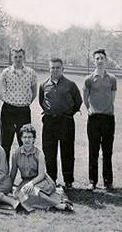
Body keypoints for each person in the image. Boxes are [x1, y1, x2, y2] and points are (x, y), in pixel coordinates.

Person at [39, 58, 82, 188]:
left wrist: (68, 114)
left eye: (58, 67)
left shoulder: (70, 84)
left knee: (67, 151)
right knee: (49, 152)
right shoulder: (44, 85)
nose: (55, 70)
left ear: (63, 69)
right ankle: (52, 179)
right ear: (49, 69)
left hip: (66, 121)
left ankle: (68, 180)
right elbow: (42, 102)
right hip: (49, 121)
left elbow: (78, 101)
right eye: (53, 67)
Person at [10, 124, 73, 212]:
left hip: (41, 180)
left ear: (34, 139)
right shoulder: (16, 154)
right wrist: (9, 186)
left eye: (30, 137)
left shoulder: (39, 153)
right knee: (19, 195)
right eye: (24, 137)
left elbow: (41, 175)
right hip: (26, 181)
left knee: (31, 192)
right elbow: (13, 172)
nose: (27, 140)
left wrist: (31, 184)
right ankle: (49, 205)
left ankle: (57, 205)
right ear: (21, 138)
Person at [83, 49, 117, 190]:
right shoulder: (89, 79)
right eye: (97, 58)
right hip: (94, 119)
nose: (100, 61)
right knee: (93, 151)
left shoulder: (112, 79)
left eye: (102, 58)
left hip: (108, 118)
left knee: (107, 151)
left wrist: (106, 109)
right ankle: (93, 181)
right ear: (94, 61)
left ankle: (108, 181)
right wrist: (90, 109)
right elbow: (85, 98)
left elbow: (112, 98)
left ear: (106, 60)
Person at [0, 48, 38, 162]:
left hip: (23, 111)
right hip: (8, 110)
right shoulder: (6, 72)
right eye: (15, 57)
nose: (18, 59)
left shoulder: (31, 73)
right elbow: (2, 91)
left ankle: (26, 173)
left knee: (25, 142)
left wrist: (24, 103)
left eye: (20, 56)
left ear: (24, 57)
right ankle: (4, 173)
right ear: (12, 57)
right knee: (5, 142)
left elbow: (34, 92)